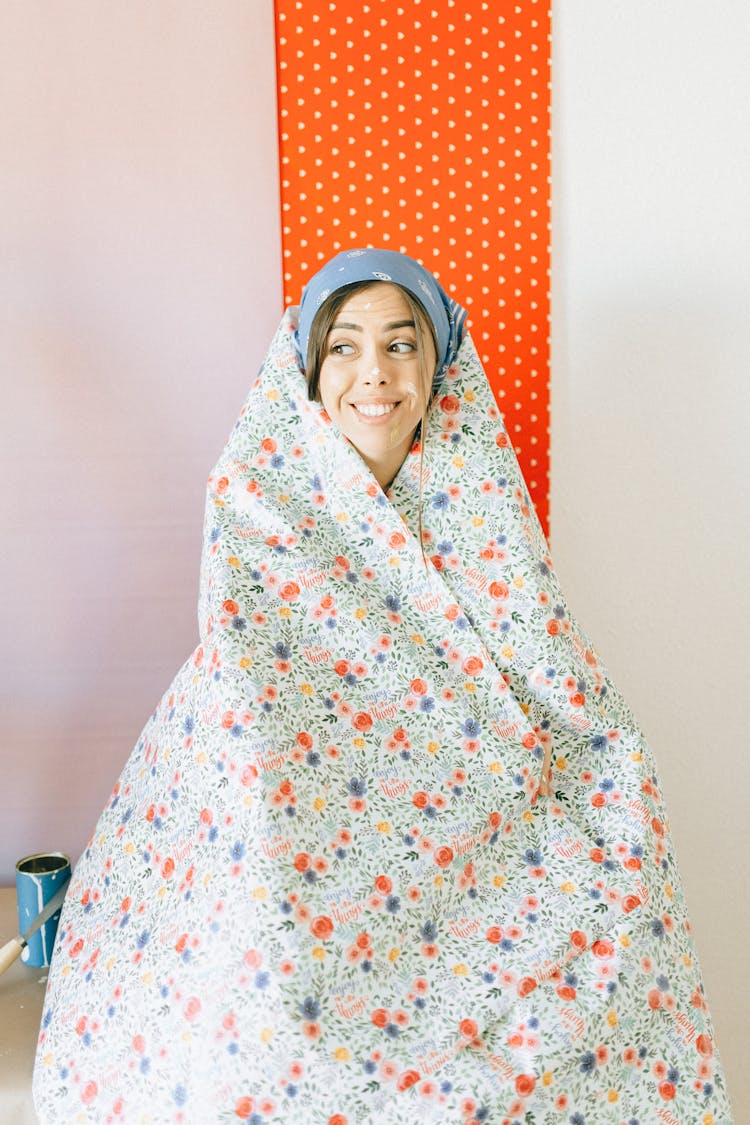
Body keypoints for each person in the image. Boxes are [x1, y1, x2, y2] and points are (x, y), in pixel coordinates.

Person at [33, 249, 732, 1123]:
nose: (375, 374)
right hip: (304, 834)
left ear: (438, 367)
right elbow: (254, 692)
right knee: (263, 1018)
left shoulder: (480, 506)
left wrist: (600, 773)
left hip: (481, 835)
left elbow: (547, 671)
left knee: (616, 895)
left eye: (402, 346)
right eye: (347, 347)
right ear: (308, 367)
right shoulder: (261, 501)